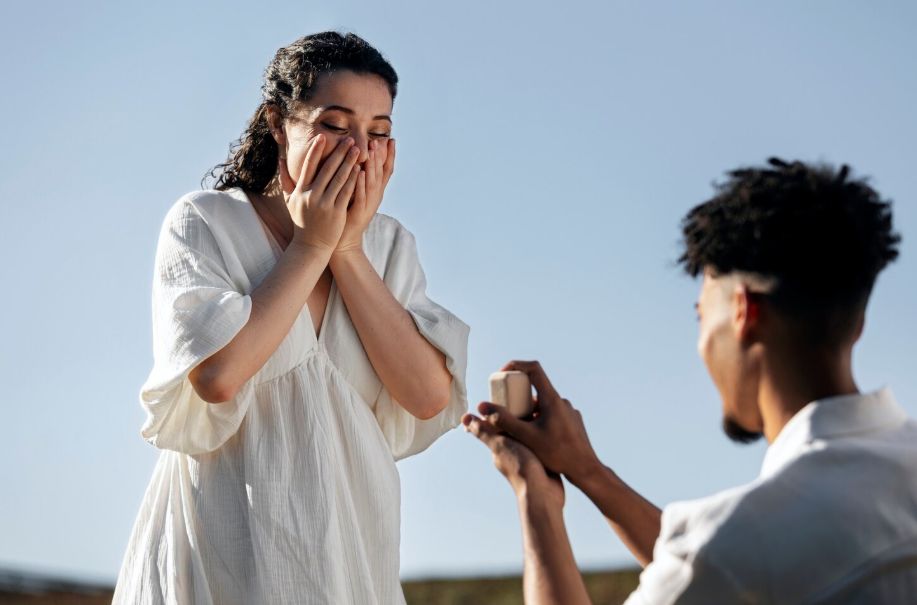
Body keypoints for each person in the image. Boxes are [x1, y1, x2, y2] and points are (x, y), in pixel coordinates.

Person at [114, 32, 469, 605]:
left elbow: (428, 396)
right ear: (278, 125)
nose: (359, 149)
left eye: (378, 132)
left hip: (352, 559)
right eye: (334, 124)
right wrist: (311, 246)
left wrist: (347, 250)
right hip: (223, 556)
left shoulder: (389, 247)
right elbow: (217, 377)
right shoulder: (206, 222)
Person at [465, 158, 912, 604]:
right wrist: (589, 472)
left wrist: (535, 494)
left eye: (702, 316)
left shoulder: (736, 547)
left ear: (743, 313)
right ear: (855, 323)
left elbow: (719, 563)